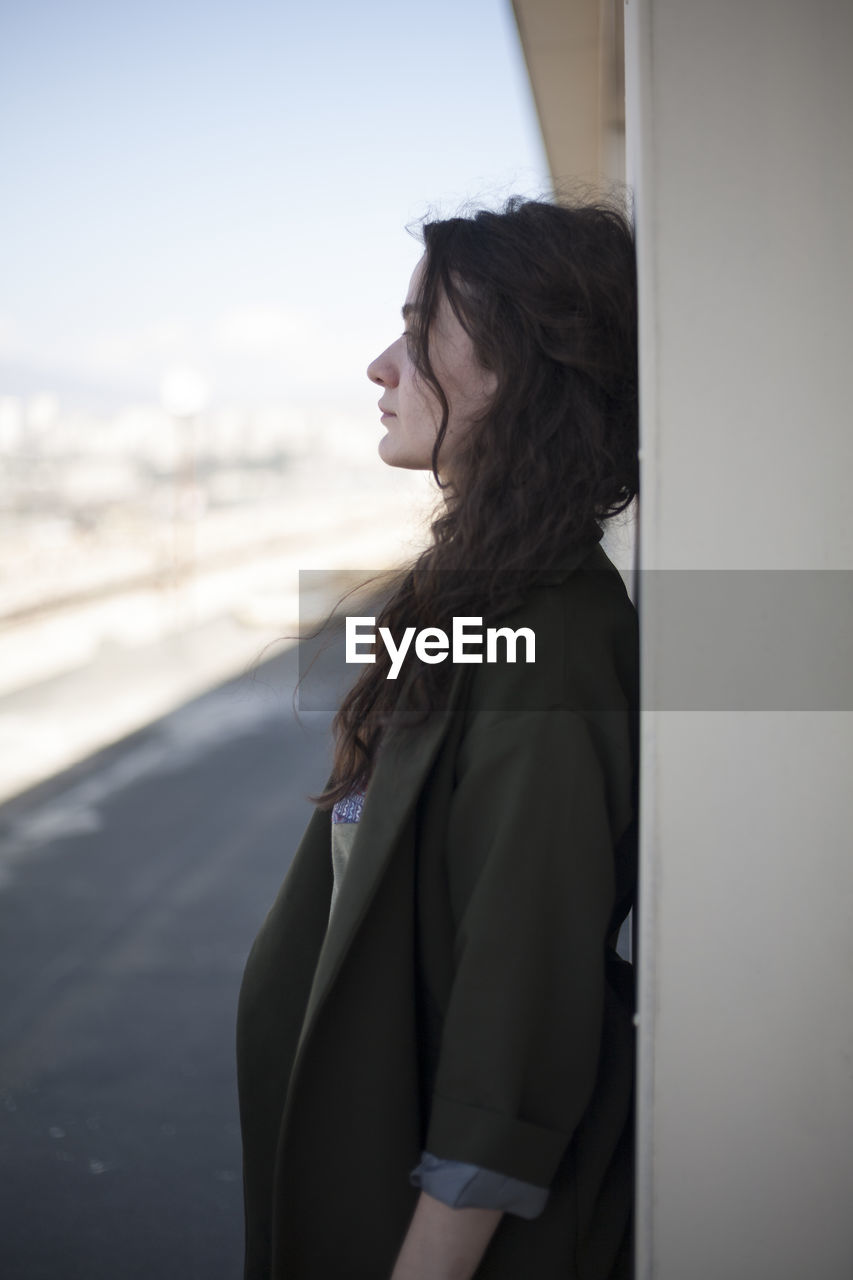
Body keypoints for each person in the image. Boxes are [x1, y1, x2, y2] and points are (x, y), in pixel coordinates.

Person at [236, 195, 639, 1280]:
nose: (380, 365)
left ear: (519, 372)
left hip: (436, 1231)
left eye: (418, 337)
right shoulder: (483, 591)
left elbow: (520, 994)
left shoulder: (551, 630)